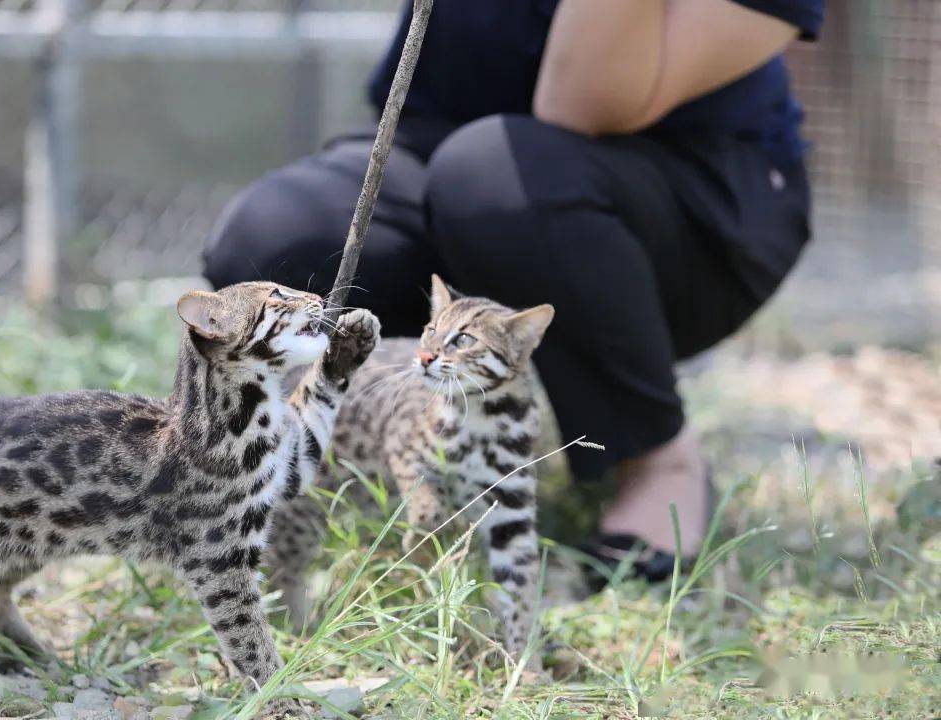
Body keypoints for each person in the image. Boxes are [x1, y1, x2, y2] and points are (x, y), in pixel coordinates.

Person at [203, 0, 824, 580]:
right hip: (444, 146)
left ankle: (659, 456)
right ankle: (344, 447)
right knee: (272, 240)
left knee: (495, 179)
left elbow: (581, 102)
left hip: (682, 204)